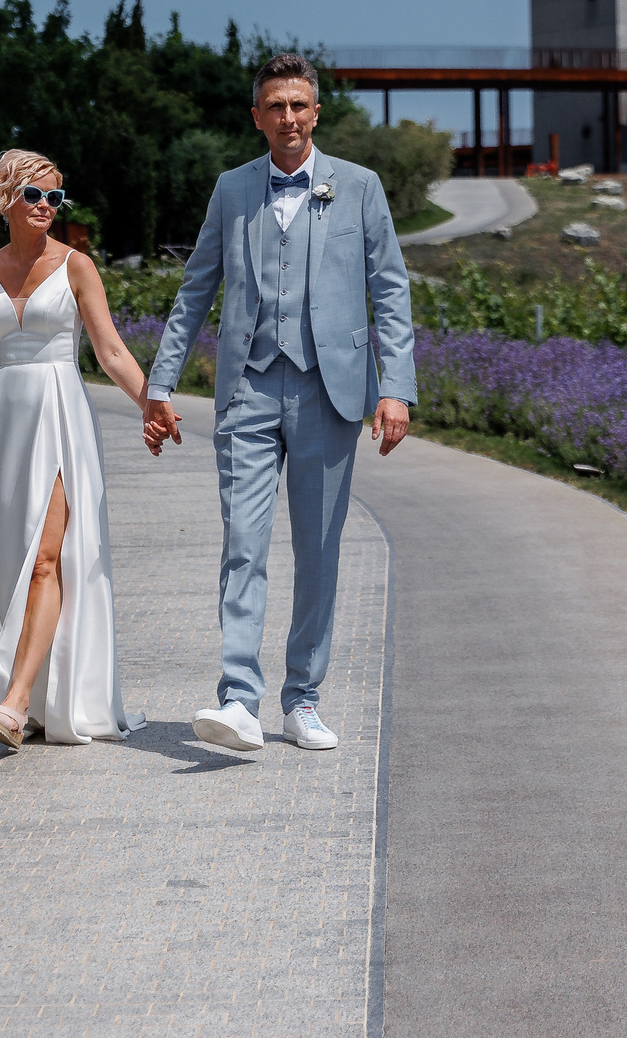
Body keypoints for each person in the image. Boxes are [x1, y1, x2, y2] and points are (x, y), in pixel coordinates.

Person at [142, 53, 417, 753]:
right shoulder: (233, 189)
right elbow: (196, 289)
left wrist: (395, 387)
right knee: (244, 543)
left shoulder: (359, 186)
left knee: (319, 548)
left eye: (299, 105)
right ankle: (238, 697)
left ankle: (302, 698)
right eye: (276, 106)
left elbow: (390, 289)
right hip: (247, 389)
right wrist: (160, 383)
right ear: (257, 115)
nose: (289, 118)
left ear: (315, 112)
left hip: (332, 388)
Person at [0, 150, 148, 750]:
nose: (46, 205)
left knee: (48, 558)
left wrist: (153, 403)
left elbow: (112, 352)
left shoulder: (77, 266)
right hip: (7, 421)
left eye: (54, 197)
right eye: (34, 195)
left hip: (60, 412)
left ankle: (16, 703)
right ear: (5, 200)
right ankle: (45, 697)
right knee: (18, 561)